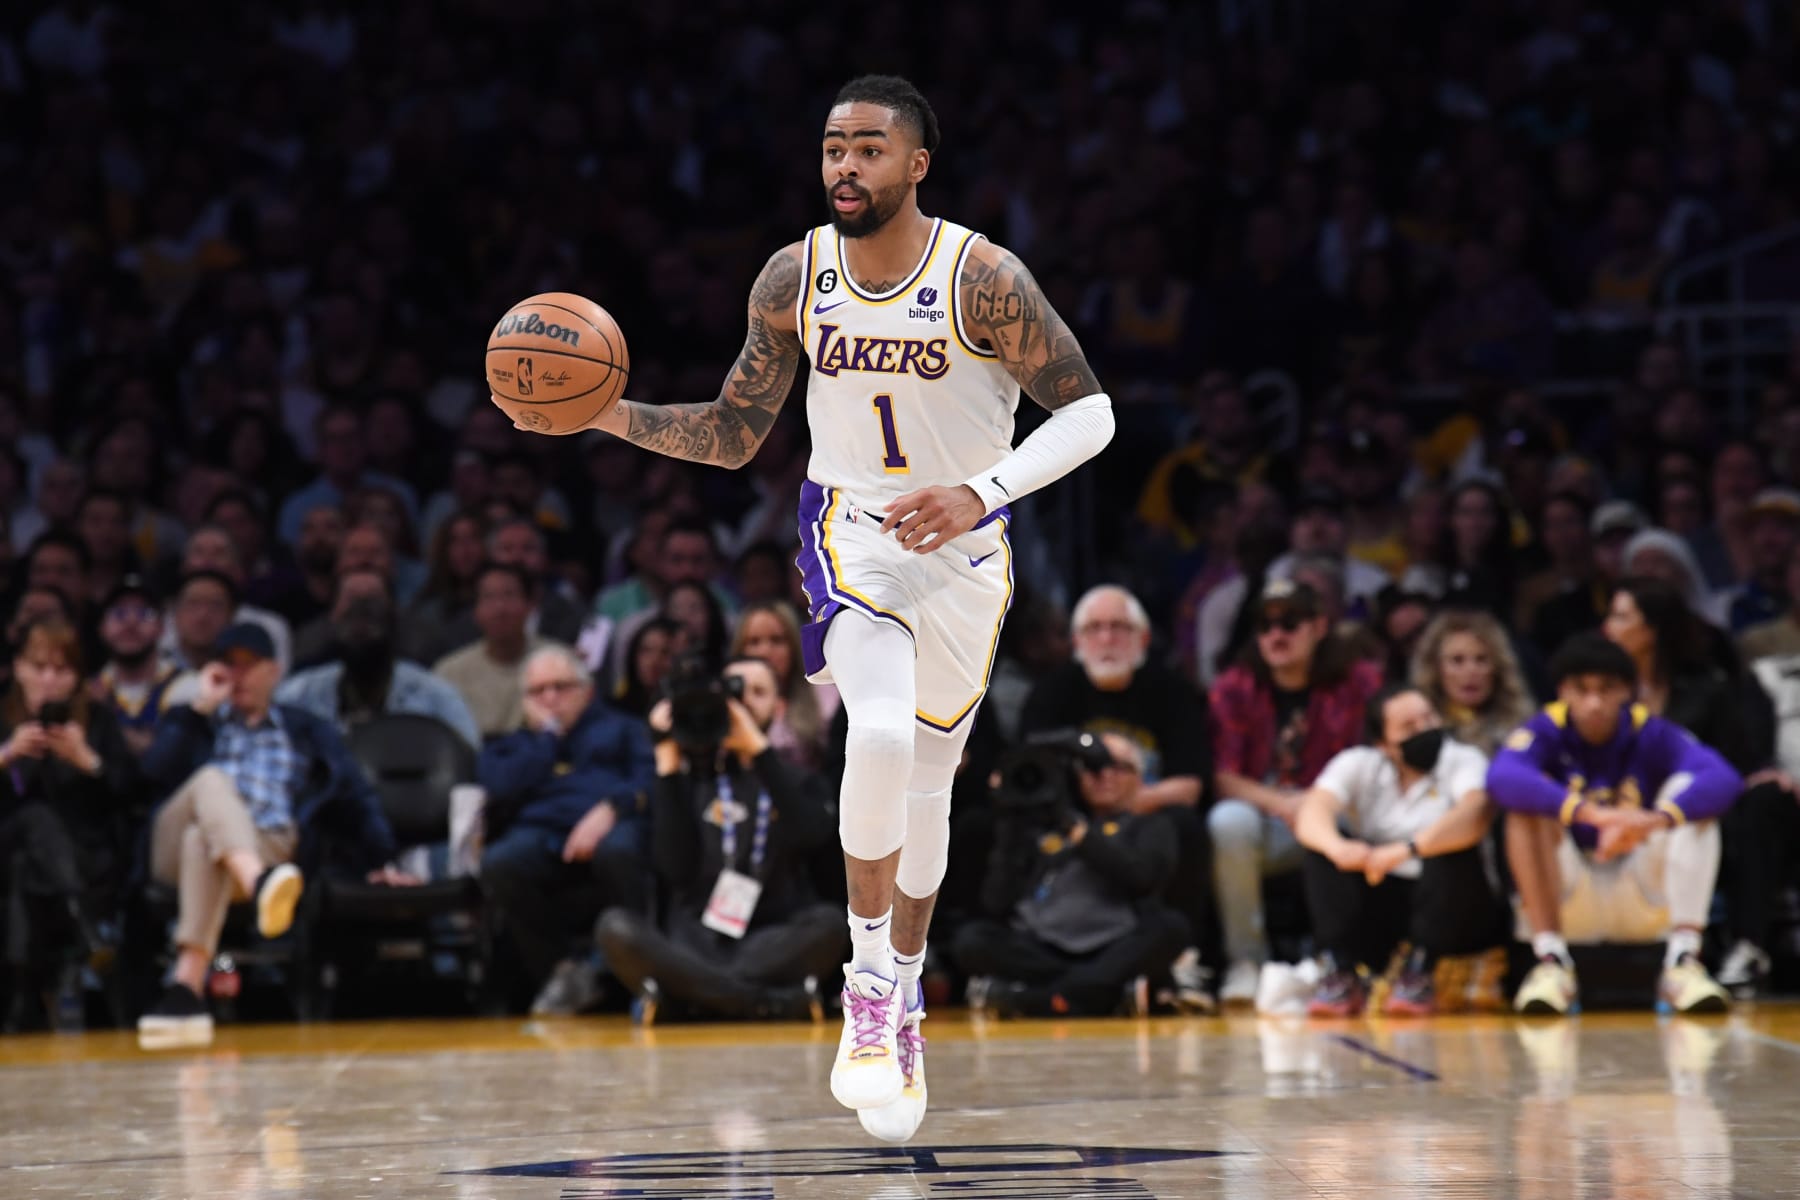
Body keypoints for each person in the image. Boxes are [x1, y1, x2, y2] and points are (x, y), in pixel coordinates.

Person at [499, 75, 1115, 1141]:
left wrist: (983, 490)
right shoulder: (795, 275)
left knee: (929, 786)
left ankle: (906, 992)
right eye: (834, 148)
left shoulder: (983, 277)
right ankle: (868, 983)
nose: (846, 166)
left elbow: (1094, 412)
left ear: (918, 163)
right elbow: (737, 433)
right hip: (851, 540)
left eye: (870, 149)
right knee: (872, 731)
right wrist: (605, 415)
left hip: (967, 550)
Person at [136, 623, 397, 1048]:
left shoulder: (305, 729)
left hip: (269, 841)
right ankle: (258, 885)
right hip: (173, 847)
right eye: (228, 664)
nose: (236, 675)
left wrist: (384, 859)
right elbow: (148, 778)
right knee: (210, 781)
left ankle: (185, 988)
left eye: (247, 664)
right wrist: (200, 709)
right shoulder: (193, 720)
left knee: (203, 842)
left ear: (273, 671)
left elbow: (354, 793)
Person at [1487, 633, 1740, 1016]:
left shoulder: (1652, 732)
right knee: (1524, 808)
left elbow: (1724, 778)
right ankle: (1551, 962)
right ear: (1562, 691)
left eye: (1606, 689)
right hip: (1569, 893)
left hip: (1641, 890)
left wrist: (1652, 821)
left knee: (1692, 800)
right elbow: (1501, 779)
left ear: (1627, 691)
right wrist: (1592, 814)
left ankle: (1683, 962)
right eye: (1581, 689)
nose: (1594, 702)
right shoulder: (1543, 731)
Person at [594, 657, 842, 1024]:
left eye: (757, 692)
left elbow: (811, 835)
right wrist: (666, 756)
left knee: (832, 924)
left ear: (779, 707)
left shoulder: (796, 780)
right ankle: (762, 1004)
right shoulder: (684, 781)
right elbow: (674, 868)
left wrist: (759, 752)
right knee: (615, 928)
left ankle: (692, 1000)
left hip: (770, 940)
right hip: (693, 943)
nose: (743, 702)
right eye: (733, 692)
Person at [1208, 579, 1384, 1006]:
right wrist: (1285, 803)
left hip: (1340, 810)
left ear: (1319, 626)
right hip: (1267, 816)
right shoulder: (1235, 686)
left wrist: (1319, 802)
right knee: (1227, 822)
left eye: (1290, 623)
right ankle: (1245, 963)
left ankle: (1339, 963)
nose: (1276, 636)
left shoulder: (1357, 681)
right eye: (1265, 626)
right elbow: (1223, 776)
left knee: (1341, 824)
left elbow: (1377, 754)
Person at [1294, 685, 1505, 1016]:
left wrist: (1408, 849)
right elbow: (1311, 812)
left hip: (1454, 906)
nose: (1425, 730)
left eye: (1429, 718)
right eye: (1409, 727)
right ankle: (1340, 971)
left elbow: (1474, 815)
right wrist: (1339, 849)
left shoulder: (1462, 759)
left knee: (1451, 849)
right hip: (1384, 901)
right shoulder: (1359, 763)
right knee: (1320, 850)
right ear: (1384, 745)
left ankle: (1422, 970)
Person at [953, 733, 1189, 1019]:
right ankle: (1101, 994)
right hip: (1043, 945)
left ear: (1140, 777)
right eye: (1092, 767)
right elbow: (997, 900)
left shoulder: (1151, 825)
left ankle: (1034, 1000)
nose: (1104, 775)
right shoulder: (1043, 821)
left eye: (1118, 767)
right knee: (972, 940)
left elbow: (1142, 879)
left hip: (1113, 942)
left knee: (1171, 928)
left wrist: (1079, 834)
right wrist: (1010, 821)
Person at [477, 645, 655, 1012]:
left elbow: (650, 779)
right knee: (501, 861)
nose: (551, 698)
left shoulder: (623, 728)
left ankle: (643, 971)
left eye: (561, 687)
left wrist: (610, 809)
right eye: (538, 691)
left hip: (613, 822)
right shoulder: (514, 745)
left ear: (587, 691)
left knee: (620, 850)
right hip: (540, 832)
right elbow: (501, 789)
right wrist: (547, 738)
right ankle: (565, 971)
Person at [0, 617, 135, 1030]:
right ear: (18, 668)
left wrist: (87, 761)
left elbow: (132, 794)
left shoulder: (95, 721)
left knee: (31, 857)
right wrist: (5, 756)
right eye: (39, 667)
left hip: (84, 858)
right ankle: (88, 934)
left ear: (77, 676)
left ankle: (22, 1000)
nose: (49, 680)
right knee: (32, 823)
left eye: (62, 670)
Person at [274, 568, 480, 750]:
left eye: (373, 600)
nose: (362, 610)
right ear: (333, 616)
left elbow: (469, 758)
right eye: (352, 600)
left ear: (394, 615)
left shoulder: (437, 697)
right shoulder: (297, 696)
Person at [433, 562, 555, 741]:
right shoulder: (449, 673)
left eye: (509, 595)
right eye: (488, 597)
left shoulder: (558, 662)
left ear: (530, 606)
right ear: (475, 611)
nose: (500, 608)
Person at [730, 600, 841, 770]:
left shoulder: (824, 698)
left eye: (777, 640)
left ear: (795, 646)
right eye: (753, 642)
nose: (765, 652)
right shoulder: (724, 700)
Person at [1410, 609, 1537, 756]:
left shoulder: (1525, 727)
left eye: (1481, 659)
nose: (1471, 671)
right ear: (1435, 668)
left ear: (1497, 667)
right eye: (1457, 660)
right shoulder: (1421, 730)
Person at [90, 575, 180, 756]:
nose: (131, 622)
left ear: (162, 627)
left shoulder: (187, 686)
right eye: (119, 613)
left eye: (144, 613)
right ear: (102, 627)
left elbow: (166, 757)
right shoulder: (87, 689)